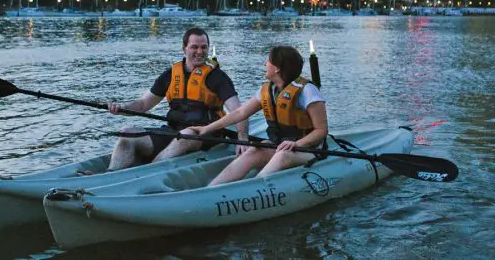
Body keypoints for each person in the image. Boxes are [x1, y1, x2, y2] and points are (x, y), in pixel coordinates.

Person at [105, 27, 246, 171]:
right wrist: (121, 108)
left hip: (205, 135)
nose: (200, 52)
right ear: (184, 48)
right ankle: (110, 174)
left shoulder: (217, 77)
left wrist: (243, 139)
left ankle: (149, 170)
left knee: (186, 135)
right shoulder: (170, 74)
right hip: (172, 131)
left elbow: (239, 111)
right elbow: (143, 105)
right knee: (127, 132)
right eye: (194, 47)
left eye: (204, 47)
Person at [189, 45, 328, 186]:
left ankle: (252, 189)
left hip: (308, 150)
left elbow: (321, 131)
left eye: (268, 61)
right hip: (280, 145)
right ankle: (213, 187)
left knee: (283, 155)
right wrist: (207, 129)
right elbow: (240, 112)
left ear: (277, 68)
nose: (264, 64)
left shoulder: (308, 91)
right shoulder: (269, 89)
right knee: (254, 150)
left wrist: (296, 144)